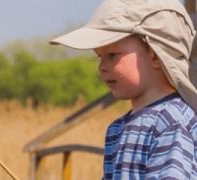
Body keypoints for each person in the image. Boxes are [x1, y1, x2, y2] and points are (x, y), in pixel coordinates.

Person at [49, 0, 197, 179]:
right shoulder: (116, 129)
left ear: (156, 56)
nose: (102, 67)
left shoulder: (172, 122)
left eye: (112, 55)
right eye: (99, 56)